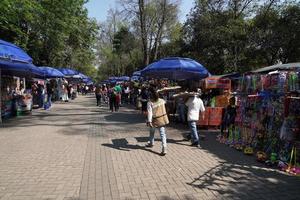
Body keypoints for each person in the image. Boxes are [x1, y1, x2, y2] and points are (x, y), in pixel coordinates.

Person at [146, 87, 169, 156]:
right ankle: (164, 148)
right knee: (162, 134)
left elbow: (150, 113)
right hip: (162, 118)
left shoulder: (150, 103)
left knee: (152, 131)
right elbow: (166, 102)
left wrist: (149, 121)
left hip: (154, 119)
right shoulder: (162, 100)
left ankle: (151, 143)